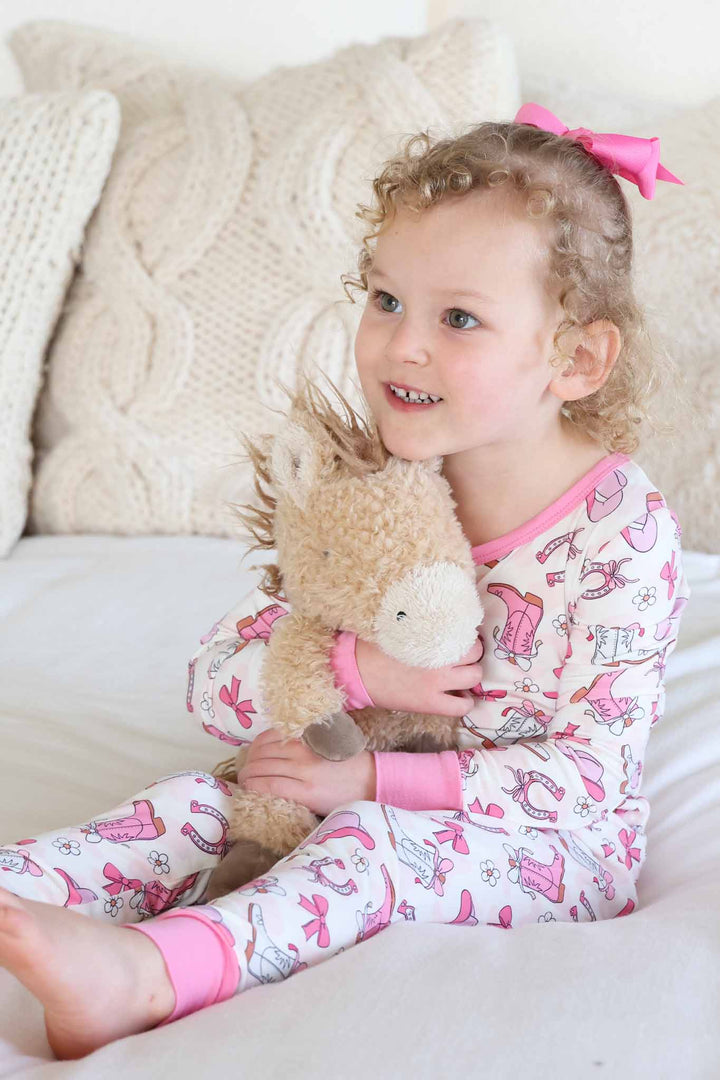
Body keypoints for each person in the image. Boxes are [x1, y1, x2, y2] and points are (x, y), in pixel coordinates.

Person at [0, 102, 692, 1060]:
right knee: (196, 805)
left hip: (547, 849)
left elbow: (582, 782)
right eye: (384, 299)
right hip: (342, 769)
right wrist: (360, 672)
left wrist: (368, 779)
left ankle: (148, 975)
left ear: (575, 357)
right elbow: (217, 683)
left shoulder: (620, 538)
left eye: (458, 318)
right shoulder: (375, 486)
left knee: (365, 853)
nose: (401, 344)